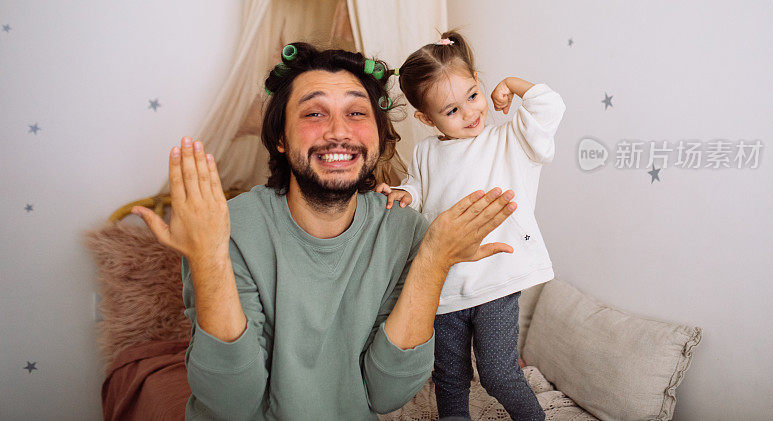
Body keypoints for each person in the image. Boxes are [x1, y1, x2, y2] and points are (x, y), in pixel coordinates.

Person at [132, 42, 519, 420]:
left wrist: (434, 260)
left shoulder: (406, 231)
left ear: (379, 134)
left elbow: (387, 395)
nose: (338, 132)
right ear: (281, 138)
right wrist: (208, 259)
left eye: (356, 113)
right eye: (314, 114)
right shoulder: (226, 228)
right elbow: (230, 403)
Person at [376, 31, 566, 421]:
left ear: (479, 82)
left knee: (497, 374)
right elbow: (419, 188)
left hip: (496, 280)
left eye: (473, 96)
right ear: (426, 118)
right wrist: (405, 193)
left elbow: (549, 105)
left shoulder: (509, 140)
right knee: (449, 376)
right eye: (451, 111)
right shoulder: (427, 152)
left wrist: (511, 85)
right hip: (445, 286)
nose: (469, 113)